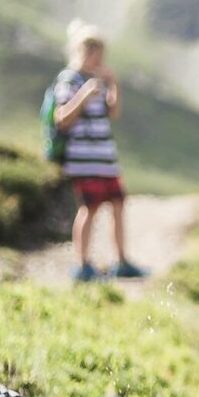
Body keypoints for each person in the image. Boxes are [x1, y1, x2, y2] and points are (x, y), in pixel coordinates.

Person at [53, 19, 144, 282]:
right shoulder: (68, 79)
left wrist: (113, 85)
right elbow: (61, 117)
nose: (99, 60)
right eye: (96, 54)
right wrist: (83, 95)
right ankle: (81, 265)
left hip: (105, 158)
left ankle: (122, 261)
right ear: (84, 51)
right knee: (89, 209)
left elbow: (113, 113)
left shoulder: (97, 80)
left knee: (118, 203)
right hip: (83, 160)